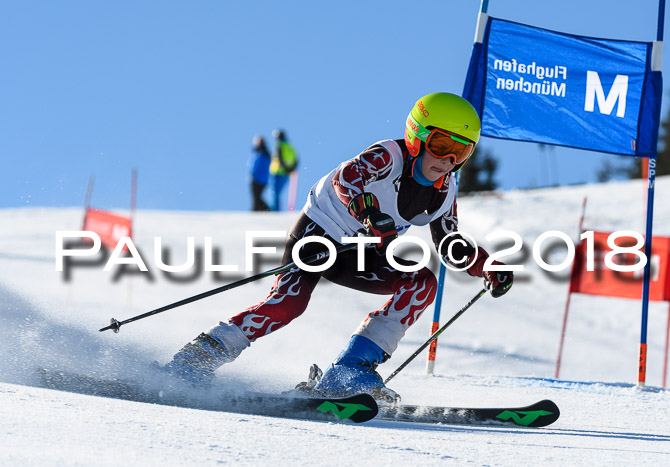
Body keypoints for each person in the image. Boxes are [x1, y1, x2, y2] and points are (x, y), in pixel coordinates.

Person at [164, 92, 514, 400]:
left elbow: (450, 241)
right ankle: (196, 358)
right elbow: (347, 179)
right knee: (289, 305)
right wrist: (369, 214)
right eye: (441, 145)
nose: (448, 160)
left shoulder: (445, 190)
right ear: (417, 136)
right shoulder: (388, 156)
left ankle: (348, 372)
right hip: (319, 232)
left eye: (460, 151)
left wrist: (486, 267)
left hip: (361, 251)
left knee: (421, 284)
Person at [269, 129, 298, 211]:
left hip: (278, 172)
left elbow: (279, 158)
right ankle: (275, 209)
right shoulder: (290, 147)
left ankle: (275, 210)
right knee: (277, 192)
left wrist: (285, 168)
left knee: (274, 192)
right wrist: (290, 169)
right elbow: (296, 161)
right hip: (286, 173)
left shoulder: (279, 145)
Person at [249, 135, 271, 211]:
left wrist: (253, 174)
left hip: (259, 178)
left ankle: (265, 209)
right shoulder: (256, 152)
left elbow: (257, 166)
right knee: (256, 196)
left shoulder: (263, 153)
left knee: (256, 196)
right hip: (258, 178)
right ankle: (257, 209)